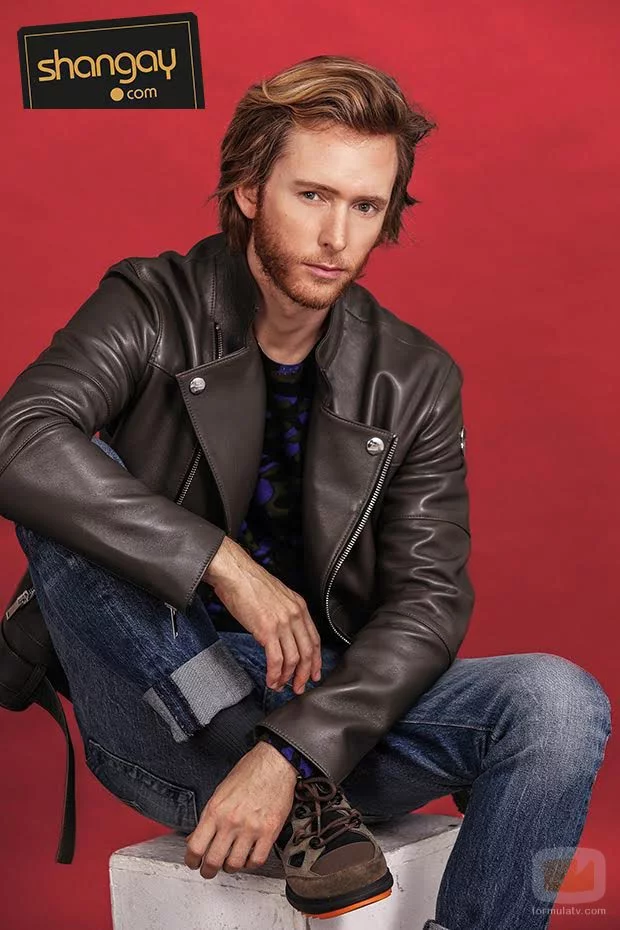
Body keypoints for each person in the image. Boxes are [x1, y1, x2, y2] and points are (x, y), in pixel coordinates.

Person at [0, 54, 611, 929]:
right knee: (62, 478)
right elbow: (17, 438)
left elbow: (429, 602)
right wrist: (220, 562)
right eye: (313, 195)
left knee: (558, 701)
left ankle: (308, 807)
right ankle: (280, 780)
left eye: (365, 206)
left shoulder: (413, 376)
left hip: (325, 729)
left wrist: (292, 752)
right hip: (161, 710)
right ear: (249, 189)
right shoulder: (152, 303)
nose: (337, 237)